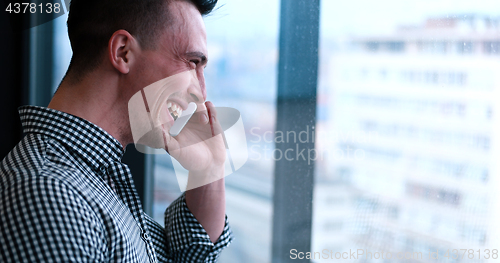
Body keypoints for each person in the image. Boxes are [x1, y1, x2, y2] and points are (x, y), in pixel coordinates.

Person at [0, 0, 232, 262]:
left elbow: (186, 257)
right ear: (123, 52)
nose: (200, 91)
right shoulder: (50, 197)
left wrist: (209, 170)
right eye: (191, 63)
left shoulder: (93, 182)